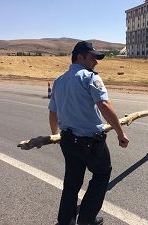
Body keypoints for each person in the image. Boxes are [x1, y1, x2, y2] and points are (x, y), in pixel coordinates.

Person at [48, 41, 129, 225]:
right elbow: (104, 105)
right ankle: (86, 219)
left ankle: (65, 221)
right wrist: (120, 133)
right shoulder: (90, 78)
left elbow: (53, 111)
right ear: (80, 57)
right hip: (91, 142)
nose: (96, 62)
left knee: (72, 182)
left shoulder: (59, 81)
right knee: (102, 174)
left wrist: (55, 134)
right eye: (93, 58)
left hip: (68, 140)